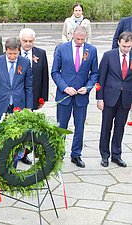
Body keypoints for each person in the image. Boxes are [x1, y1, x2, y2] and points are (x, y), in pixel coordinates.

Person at [51, 26, 99, 168]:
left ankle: (76, 154)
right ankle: (59, 153)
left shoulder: (92, 50)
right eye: (77, 39)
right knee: (61, 126)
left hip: (81, 97)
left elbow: (95, 73)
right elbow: (55, 72)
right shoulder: (61, 48)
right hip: (64, 95)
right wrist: (65, 87)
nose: (79, 42)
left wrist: (88, 87)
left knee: (79, 126)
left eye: (82, 40)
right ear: (72, 35)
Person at [96, 31, 132, 168]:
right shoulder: (108, 56)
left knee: (120, 128)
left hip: (125, 98)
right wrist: (99, 98)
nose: (126, 49)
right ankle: (104, 155)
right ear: (118, 42)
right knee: (106, 127)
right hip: (109, 97)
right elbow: (101, 78)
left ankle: (116, 155)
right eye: (124, 46)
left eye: (129, 46)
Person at [18, 28, 49, 165]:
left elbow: (44, 77)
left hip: (34, 95)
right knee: (17, 125)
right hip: (17, 95)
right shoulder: (13, 51)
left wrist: (43, 97)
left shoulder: (40, 53)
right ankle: (13, 151)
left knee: (29, 126)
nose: (28, 44)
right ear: (20, 40)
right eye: (25, 41)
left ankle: (25, 153)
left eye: (31, 41)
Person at [0, 37, 33, 127]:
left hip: (19, 104)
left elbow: (29, 87)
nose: (12, 57)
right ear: (6, 50)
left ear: (19, 51)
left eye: (15, 54)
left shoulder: (25, 62)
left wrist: (29, 108)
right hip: (0, 104)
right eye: (10, 54)